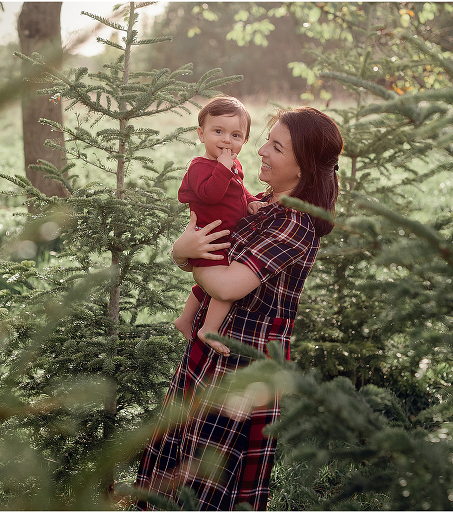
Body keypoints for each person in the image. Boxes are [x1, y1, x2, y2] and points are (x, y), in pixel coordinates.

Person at [135, 106, 343, 510]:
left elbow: (227, 283)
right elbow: (213, 252)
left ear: (303, 169)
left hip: (243, 364)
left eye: (277, 147)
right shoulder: (261, 204)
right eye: (267, 139)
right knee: (179, 453)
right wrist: (184, 253)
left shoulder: (294, 224)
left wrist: (183, 254)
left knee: (209, 476)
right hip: (213, 348)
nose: (261, 150)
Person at [175, 96, 267, 354]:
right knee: (224, 289)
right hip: (210, 241)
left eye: (236, 135)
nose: (227, 140)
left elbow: (238, 190)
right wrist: (224, 168)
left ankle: (185, 319)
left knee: (207, 285)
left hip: (225, 240)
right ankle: (208, 330)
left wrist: (250, 201)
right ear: (201, 134)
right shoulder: (199, 167)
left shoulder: (232, 165)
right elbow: (210, 194)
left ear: (245, 141)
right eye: (218, 131)